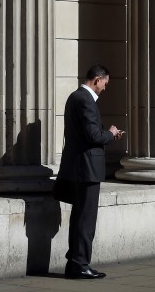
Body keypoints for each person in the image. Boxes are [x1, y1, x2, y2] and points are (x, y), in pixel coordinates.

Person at [57, 64, 124, 279]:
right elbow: (93, 135)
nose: (105, 88)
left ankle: (75, 263)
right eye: (105, 83)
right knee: (85, 220)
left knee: (80, 218)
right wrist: (111, 133)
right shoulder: (85, 100)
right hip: (86, 169)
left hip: (80, 168)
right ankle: (80, 264)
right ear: (97, 79)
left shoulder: (75, 98)